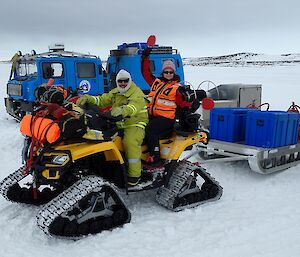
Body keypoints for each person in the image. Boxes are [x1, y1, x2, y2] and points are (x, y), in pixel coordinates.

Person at [77, 69, 148, 186]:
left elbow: (134, 106)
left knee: (130, 142)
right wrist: (89, 98)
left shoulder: (137, 93)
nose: (123, 84)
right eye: (120, 81)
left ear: (130, 81)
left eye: (126, 81)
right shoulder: (115, 92)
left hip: (135, 123)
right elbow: (102, 100)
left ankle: (134, 176)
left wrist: (123, 110)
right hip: (119, 123)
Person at [142, 54, 205, 166]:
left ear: (174, 73)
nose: (168, 74)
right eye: (166, 72)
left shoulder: (176, 88)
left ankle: (155, 157)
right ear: (163, 72)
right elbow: (146, 72)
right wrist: (145, 57)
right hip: (152, 115)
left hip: (166, 119)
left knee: (150, 130)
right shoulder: (156, 82)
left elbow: (183, 103)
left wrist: (194, 104)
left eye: (171, 72)